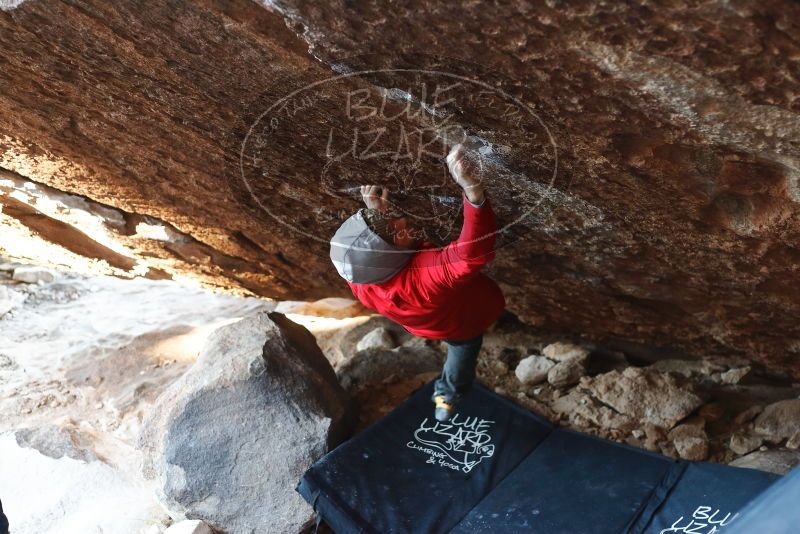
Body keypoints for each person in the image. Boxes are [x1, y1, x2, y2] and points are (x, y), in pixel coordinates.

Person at [329, 144, 505, 421]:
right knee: (464, 349)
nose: (399, 219)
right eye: (393, 230)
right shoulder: (425, 276)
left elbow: (362, 255)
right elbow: (471, 254)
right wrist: (473, 192)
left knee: (457, 343)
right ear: (389, 256)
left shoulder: (361, 279)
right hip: (464, 322)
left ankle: (445, 401)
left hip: (427, 324)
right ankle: (447, 396)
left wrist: (375, 214)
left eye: (388, 220)